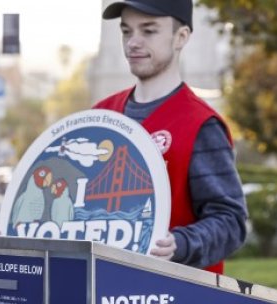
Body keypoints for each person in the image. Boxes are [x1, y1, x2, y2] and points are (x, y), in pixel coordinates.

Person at [93, 0, 247, 273]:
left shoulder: (201, 124)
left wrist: (180, 244)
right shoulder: (99, 117)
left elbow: (231, 221)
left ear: (181, 37)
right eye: (127, 31)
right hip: (105, 299)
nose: (133, 43)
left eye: (148, 31)